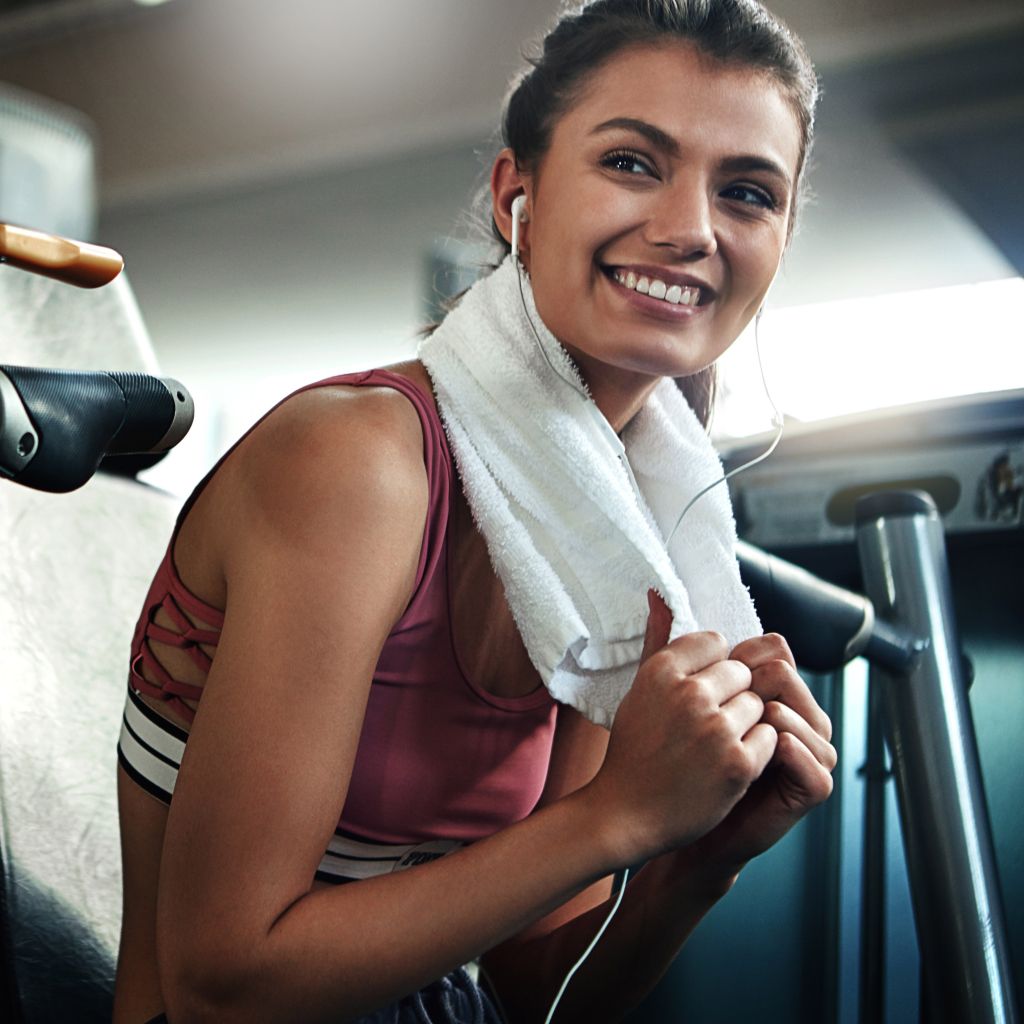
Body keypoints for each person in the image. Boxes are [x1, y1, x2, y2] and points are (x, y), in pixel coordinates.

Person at [113, 1, 836, 1021]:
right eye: (632, 162)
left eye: (748, 192)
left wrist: (695, 864)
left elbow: (532, 989)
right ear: (517, 195)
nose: (689, 229)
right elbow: (217, 986)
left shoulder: (622, 531)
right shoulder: (358, 463)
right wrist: (616, 815)